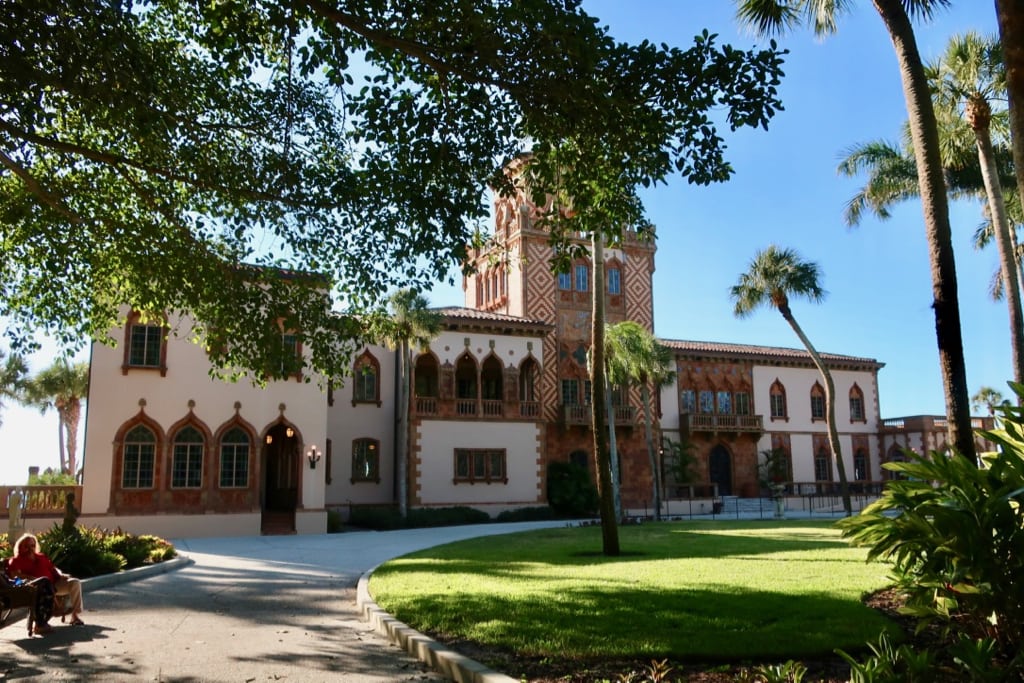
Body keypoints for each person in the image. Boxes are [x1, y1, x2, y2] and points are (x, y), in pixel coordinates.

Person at [7, 533, 84, 626]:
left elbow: (53, 568)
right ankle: (49, 615)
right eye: (26, 546)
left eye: (32, 545)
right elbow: (15, 575)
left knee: (75, 582)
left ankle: (75, 616)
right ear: (20, 547)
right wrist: (32, 578)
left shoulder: (41, 557)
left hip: (54, 584)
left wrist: (61, 574)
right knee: (44, 584)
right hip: (37, 587)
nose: (30, 548)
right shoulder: (16, 560)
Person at [1, 556, 56, 635]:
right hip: (15, 594)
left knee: (44, 586)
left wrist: (20, 581)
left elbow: (10, 582)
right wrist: (23, 584)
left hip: (18, 589)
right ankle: (40, 623)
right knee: (44, 581)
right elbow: (7, 587)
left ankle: (40, 623)